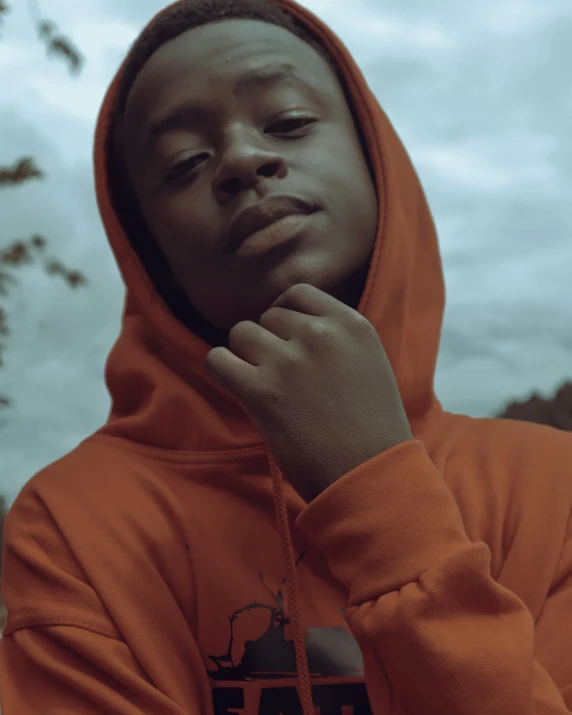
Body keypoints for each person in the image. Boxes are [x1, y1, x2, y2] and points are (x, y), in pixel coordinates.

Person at [1, 0, 571, 712]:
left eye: (290, 121)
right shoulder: (73, 525)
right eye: (184, 163)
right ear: (153, 258)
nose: (242, 158)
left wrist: (377, 493)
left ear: (377, 162)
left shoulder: (553, 488)